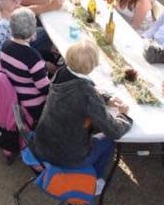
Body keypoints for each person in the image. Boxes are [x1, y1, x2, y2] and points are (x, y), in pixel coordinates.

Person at [34, 39, 132, 187]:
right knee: (109, 140)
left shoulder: (61, 72)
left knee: (95, 130)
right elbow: (114, 131)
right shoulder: (87, 94)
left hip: (42, 142)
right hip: (65, 155)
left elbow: (81, 90)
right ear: (92, 66)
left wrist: (106, 98)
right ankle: (95, 182)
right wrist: (123, 115)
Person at [0, 8, 49, 125]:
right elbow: (46, 89)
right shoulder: (33, 58)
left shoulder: (5, 46)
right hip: (34, 105)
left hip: (16, 94)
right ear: (32, 30)